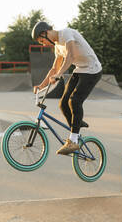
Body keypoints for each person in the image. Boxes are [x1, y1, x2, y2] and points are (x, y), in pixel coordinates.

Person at [31, 21, 102, 155]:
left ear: (45, 33)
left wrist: (59, 75)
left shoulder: (66, 33)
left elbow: (71, 56)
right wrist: (41, 85)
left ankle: (73, 140)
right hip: (80, 70)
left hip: (93, 70)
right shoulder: (57, 46)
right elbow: (54, 68)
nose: (43, 44)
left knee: (74, 101)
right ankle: (76, 127)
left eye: (41, 41)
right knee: (63, 104)